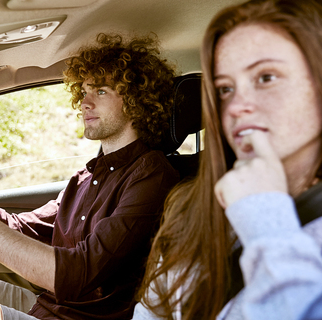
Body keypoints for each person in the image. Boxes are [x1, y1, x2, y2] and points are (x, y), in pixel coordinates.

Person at [0, 33, 180, 320]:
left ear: (137, 100)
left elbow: (80, 274)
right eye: (84, 92)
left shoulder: (151, 175)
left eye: (101, 91)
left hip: (79, 316)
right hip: (49, 305)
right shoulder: (87, 177)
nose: (85, 103)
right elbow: (20, 228)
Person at [132, 0, 322, 319]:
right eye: (225, 89)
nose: (236, 106)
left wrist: (264, 219)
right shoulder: (190, 205)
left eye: (266, 77)